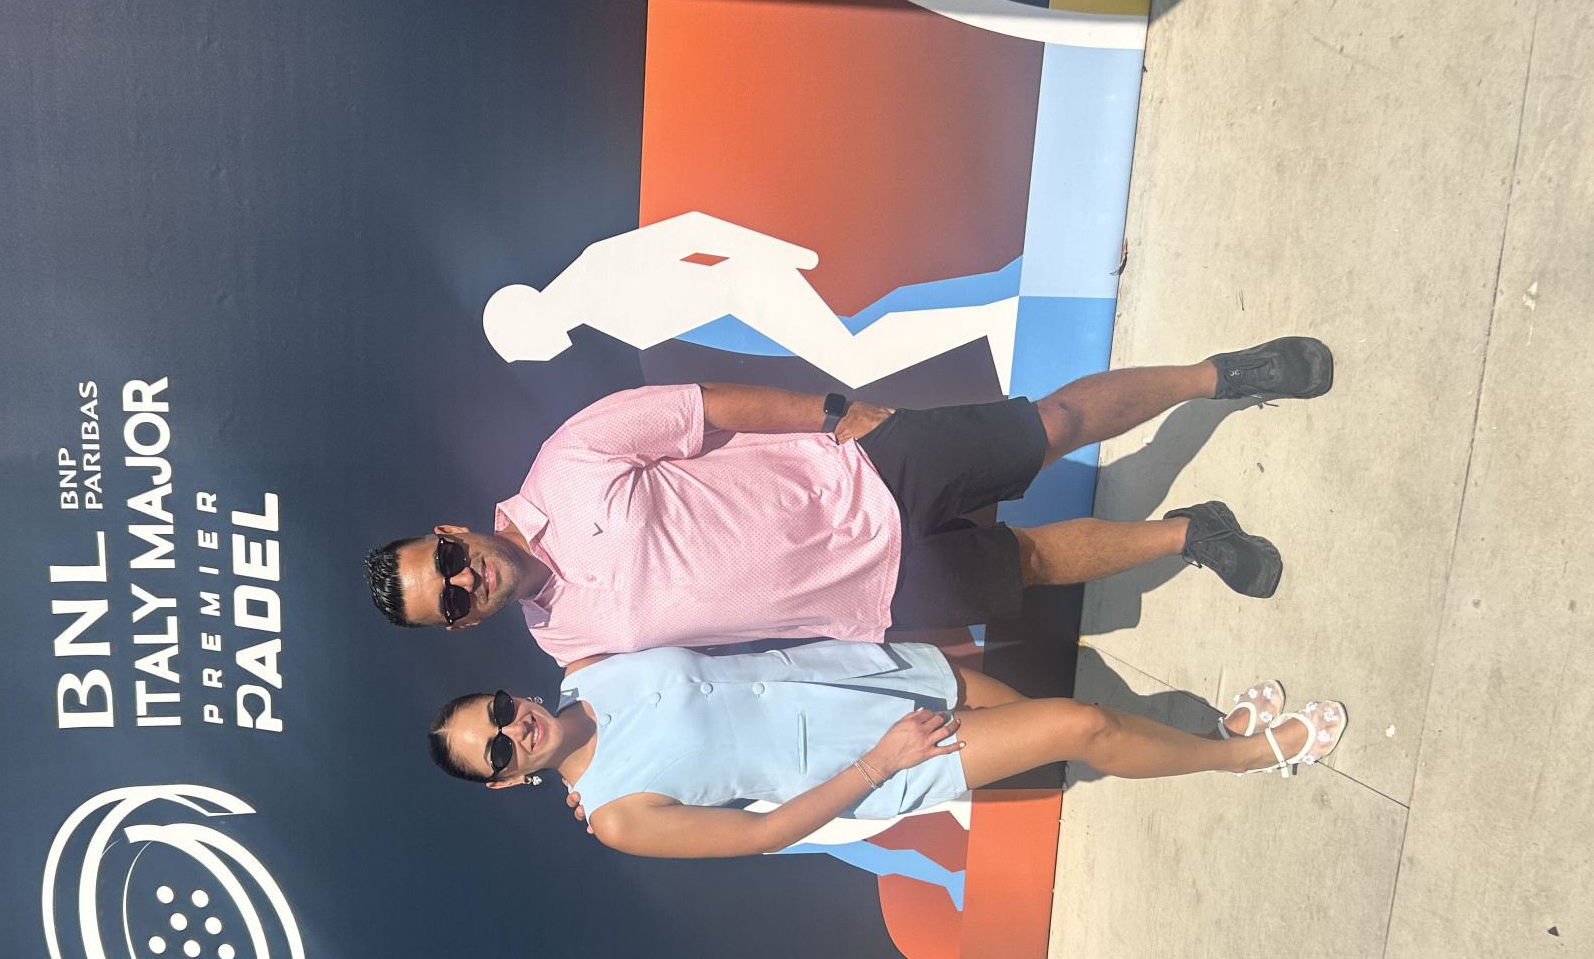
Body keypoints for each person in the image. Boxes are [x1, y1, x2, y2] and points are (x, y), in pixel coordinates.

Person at [364, 340, 1332, 666]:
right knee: (1030, 566)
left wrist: (836, 414)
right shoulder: (562, 644)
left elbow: (708, 405)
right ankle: (1190, 534)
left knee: (1052, 425)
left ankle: (1221, 375)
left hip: (859, 472)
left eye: (444, 562)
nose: (463, 579)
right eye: (451, 600)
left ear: (450, 532)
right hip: (867, 597)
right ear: (463, 622)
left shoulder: (567, 457)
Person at [425, 643, 1345, 858]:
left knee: (1065, 716)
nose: (512, 730)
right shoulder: (616, 817)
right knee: (1077, 726)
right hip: (871, 753)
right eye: (497, 752)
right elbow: (764, 834)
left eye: (497, 711)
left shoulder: (587, 668)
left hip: (860, 671)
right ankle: (1251, 758)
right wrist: (883, 764)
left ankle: (1211, 737)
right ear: (506, 783)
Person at [480, 211, 1021, 389]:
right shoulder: (592, 311)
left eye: (523, 350)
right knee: (859, 333)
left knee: (855, 359)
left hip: (750, 294)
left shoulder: (594, 271)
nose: (536, 358)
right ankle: (990, 306)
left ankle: (992, 317)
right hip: (742, 320)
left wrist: (782, 252)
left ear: (528, 321)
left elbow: (691, 230)